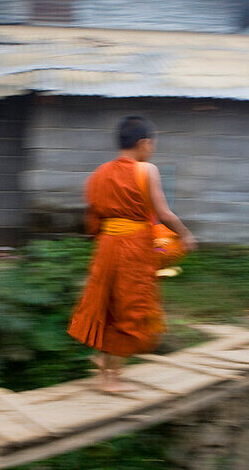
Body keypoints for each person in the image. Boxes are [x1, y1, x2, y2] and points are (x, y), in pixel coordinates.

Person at [67, 116, 197, 392]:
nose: (152, 149)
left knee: (108, 304)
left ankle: (104, 363)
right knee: (130, 307)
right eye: (152, 144)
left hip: (106, 247)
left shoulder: (98, 174)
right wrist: (184, 234)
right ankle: (111, 379)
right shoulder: (146, 170)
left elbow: (91, 221)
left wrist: (107, 236)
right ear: (143, 143)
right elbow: (163, 213)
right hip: (133, 248)